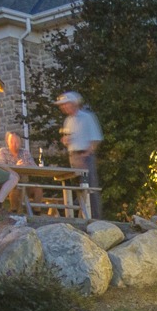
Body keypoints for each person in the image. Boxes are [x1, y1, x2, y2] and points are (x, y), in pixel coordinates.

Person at [56, 91, 103, 219]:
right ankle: (81, 216)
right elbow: (69, 138)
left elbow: (95, 138)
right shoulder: (68, 120)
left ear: (74, 104)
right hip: (73, 156)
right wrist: (66, 142)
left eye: (66, 104)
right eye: (62, 105)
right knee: (78, 187)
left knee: (89, 187)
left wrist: (87, 153)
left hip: (85, 156)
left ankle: (94, 217)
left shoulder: (87, 117)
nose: (63, 107)